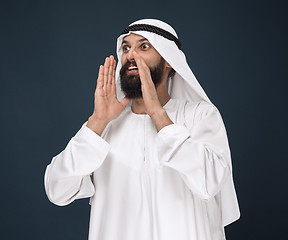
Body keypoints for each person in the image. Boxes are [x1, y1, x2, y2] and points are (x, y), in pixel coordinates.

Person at [44, 19, 240, 240]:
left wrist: (158, 114)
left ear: (168, 60)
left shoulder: (200, 116)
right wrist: (97, 121)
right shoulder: (105, 127)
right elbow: (57, 190)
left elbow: (210, 182)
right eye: (126, 47)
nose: (130, 55)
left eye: (143, 46)